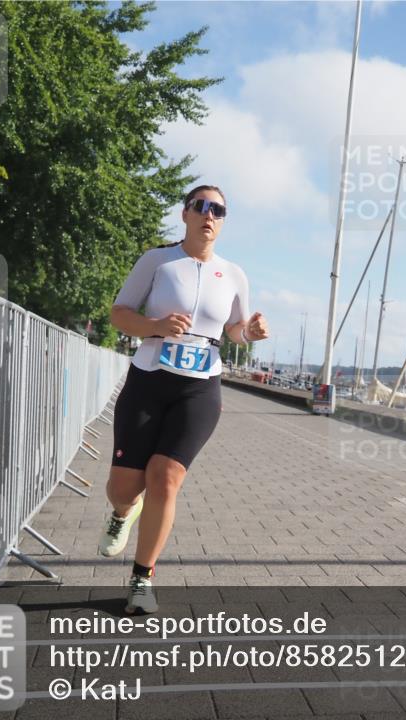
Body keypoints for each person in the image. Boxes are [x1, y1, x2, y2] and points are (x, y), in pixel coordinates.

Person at [104, 185, 269, 614]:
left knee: (166, 478)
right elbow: (119, 313)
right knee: (125, 487)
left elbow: (235, 330)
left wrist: (249, 332)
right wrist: (155, 325)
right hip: (149, 379)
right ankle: (124, 512)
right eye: (201, 206)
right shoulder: (158, 260)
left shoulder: (234, 274)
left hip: (200, 386)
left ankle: (142, 579)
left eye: (218, 210)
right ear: (186, 214)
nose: (209, 215)